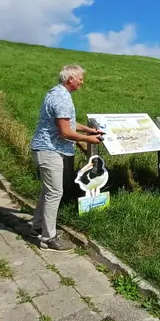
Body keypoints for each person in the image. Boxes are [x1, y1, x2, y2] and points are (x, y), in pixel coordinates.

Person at [30, 65, 103, 252]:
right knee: (55, 193)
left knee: (48, 191)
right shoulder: (62, 98)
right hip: (50, 151)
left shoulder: (57, 94)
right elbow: (65, 132)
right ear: (70, 79)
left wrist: (88, 129)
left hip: (46, 149)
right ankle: (48, 238)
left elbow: (67, 122)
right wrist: (89, 139)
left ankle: (37, 226)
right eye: (80, 78)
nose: (82, 81)